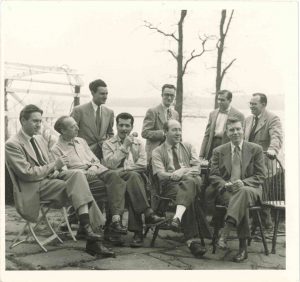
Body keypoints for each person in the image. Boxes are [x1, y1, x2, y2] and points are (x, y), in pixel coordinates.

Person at [5, 104, 115, 257]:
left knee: (77, 174)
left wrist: (57, 169)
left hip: (49, 178)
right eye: (35, 121)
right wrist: (53, 166)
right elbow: (27, 174)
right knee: (81, 188)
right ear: (23, 120)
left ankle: (89, 231)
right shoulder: (12, 144)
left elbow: (49, 164)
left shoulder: (39, 139)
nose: (39, 125)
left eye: (40, 121)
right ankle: (92, 238)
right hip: (34, 186)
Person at [51, 116, 129, 243]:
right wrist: (85, 171)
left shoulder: (81, 141)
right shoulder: (56, 149)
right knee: (112, 188)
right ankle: (111, 227)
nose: (77, 128)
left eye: (76, 124)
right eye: (73, 126)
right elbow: (64, 172)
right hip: (81, 178)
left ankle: (114, 219)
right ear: (63, 130)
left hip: (96, 170)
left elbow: (95, 160)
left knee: (115, 177)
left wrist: (93, 166)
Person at [206, 117, 266, 262]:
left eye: (238, 129)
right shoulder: (218, 151)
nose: (235, 132)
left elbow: (260, 175)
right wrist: (224, 184)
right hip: (227, 191)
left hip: (251, 189)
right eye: (232, 130)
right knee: (240, 200)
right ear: (226, 132)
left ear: (243, 130)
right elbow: (213, 175)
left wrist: (243, 182)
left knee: (243, 192)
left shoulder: (255, 149)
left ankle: (225, 232)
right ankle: (242, 249)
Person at [102, 113, 165, 247]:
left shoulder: (139, 143)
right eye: (121, 125)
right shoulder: (108, 144)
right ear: (116, 125)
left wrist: (123, 169)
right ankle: (141, 224)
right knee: (134, 180)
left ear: (132, 127)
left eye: (127, 125)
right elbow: (110, 164)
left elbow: (143, 164)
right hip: (115, 180)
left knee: (133, 178)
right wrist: (124, 147)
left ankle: (119, 228)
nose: (124, 128)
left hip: (132, 177)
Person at [151, 119, 210, 258]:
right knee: (190, 191)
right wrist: (174, 175)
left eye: (179, 130)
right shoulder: (157, 152)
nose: (178, 133)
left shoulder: (188, 146)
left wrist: (182, 171)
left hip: (188, 183)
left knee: (190, 183)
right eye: (174, 130)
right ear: (165, 132)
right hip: (170, 186)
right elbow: (160, 175)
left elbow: (197, 167)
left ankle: (181, 225)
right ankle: (192, 239)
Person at [244, 93, 283, 229]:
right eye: (250, 103)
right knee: (254, 197)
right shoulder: (248, 120)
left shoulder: (272, 119)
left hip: (265, 165)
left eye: (254, 104)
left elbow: (276, 136)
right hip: (248, 166)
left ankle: (265, 227)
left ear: (263, 104)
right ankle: (258, 227)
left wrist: (273, 149)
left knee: (263, 198)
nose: (251, 106)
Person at [71, 79, 114, 161]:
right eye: (102, 94)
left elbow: (110, 134)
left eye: (106, 94)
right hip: (84, 156)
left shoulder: (109, 112)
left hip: (103, 156)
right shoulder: (79, 110)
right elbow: (71, 134)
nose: (105, 97)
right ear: (92, 93)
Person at [199, 90, 245, 162]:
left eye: (222, 100)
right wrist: (201, 155)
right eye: (218, 99)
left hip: (228, 147)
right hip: (212, 146)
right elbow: (207, 135)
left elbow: (241, 137)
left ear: (230, 100)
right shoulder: (212, 114)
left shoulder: (239, 115)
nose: (219, 102)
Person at [141, 84, 179, 162]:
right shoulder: (152, 111)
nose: (169, 98)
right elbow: (144, 133)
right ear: (162, 95)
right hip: (155, 154)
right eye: (167, 95)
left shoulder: (175, 114)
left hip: (170, 155)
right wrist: (163, 134)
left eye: (172, 95)